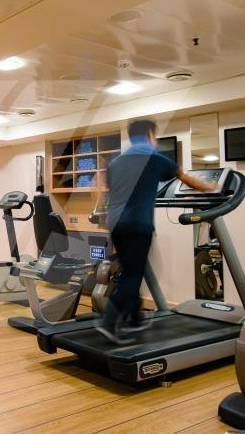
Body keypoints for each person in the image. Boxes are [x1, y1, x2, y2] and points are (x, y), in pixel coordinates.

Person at [96, 119, 215, 345]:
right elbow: (187, 179)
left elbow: (112, 190)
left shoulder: (117, 161)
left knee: (130, 270)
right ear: (150, 135)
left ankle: (134, 320)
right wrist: (213, 187)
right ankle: (109, 321)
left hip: (115, 224)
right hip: (138, 224)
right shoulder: (155, 157)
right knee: (133, 275)